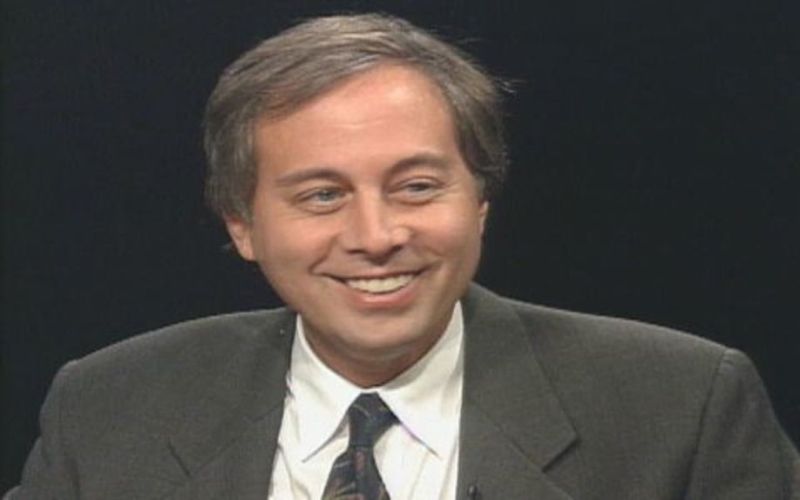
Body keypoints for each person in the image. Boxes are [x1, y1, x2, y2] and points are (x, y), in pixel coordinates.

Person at [7, 13, 799, 500]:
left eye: (416, 186)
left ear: (480, 199)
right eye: (322, 195)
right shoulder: (110, 409)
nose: (377, 233)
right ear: (242, 225)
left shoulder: (682, 409)